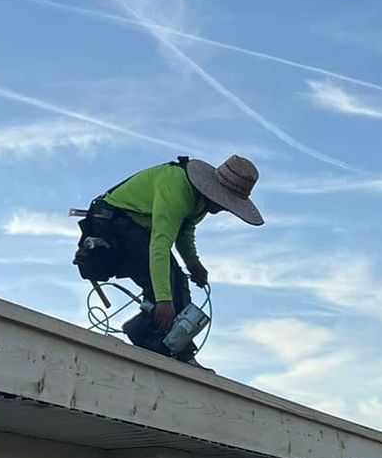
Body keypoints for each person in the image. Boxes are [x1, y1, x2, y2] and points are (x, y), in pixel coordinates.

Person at [72, 154, 263, 361]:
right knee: (164, 290)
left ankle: (181, 350)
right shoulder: (177, 190)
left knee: (179, 282)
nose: (225, 208)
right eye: (227, 202)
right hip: (115, 223)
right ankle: (149, 341)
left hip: (139, 229)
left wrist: (193, 263)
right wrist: (164, 300)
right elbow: (160, 246)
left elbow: (184, 232)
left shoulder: (200, 201)